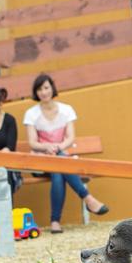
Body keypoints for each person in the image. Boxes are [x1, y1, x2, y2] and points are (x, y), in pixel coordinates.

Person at [22, 74, 109, 233]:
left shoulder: (66, 110)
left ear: (52, 88)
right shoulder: (31, 113)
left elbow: (70, 137)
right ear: (36, 92)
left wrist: (58, 147)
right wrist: (47, 147)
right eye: (40, 89)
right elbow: (33, 142)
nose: (44, 92)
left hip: (61, 156)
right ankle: (87, 198)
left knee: (58, 170)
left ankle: (55, 222)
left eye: (46, 87)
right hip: (41, 160)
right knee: (60, 165)